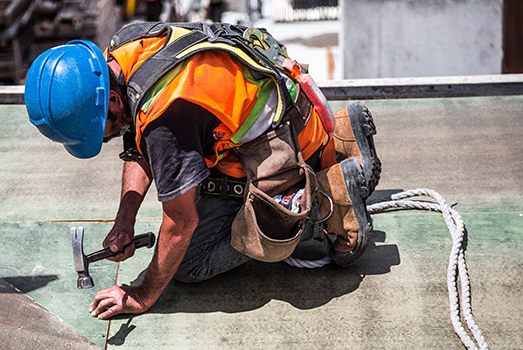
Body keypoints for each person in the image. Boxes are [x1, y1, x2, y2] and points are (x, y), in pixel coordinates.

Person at [24, 22, 381, 320]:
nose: (101, 141)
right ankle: (342, 138)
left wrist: (143, 294)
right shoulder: (126, 48)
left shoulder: (166, 117)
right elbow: (138, 142)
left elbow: (181, 223)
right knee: (186, 184)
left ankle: (326, 199)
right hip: (290, 113)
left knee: (190, 264)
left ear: (113, 100)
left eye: (97, 132)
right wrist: (125, 220)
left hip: (285, 148)